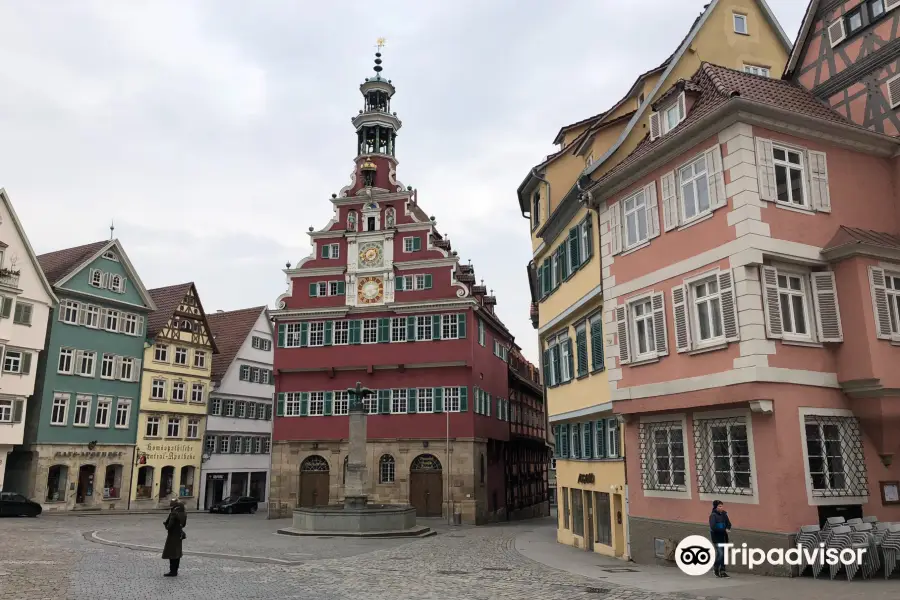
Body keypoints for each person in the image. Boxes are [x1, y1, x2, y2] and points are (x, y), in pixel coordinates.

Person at [162, 498, 187, 577]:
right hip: (179, 534)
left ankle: (172, 571)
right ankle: (175, 570)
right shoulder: (183, 513)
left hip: (172, 535)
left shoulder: (173, 514)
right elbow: (183, 525)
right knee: (177, 553)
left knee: (171, 553)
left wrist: (166, 524)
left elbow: (169, 526)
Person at [709, 500, 732, 577]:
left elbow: (729, 523)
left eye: (722, 506)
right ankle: (716, 568)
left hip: (724, 537)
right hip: (716, 537)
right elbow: (713, 527)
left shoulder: (724, 514)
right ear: (715, 507)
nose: (721, 507)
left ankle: (722, 571)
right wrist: (723, 529)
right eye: (719, 506)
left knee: (724, 554)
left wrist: (728, 528)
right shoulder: (713, 516)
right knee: (720, 553)